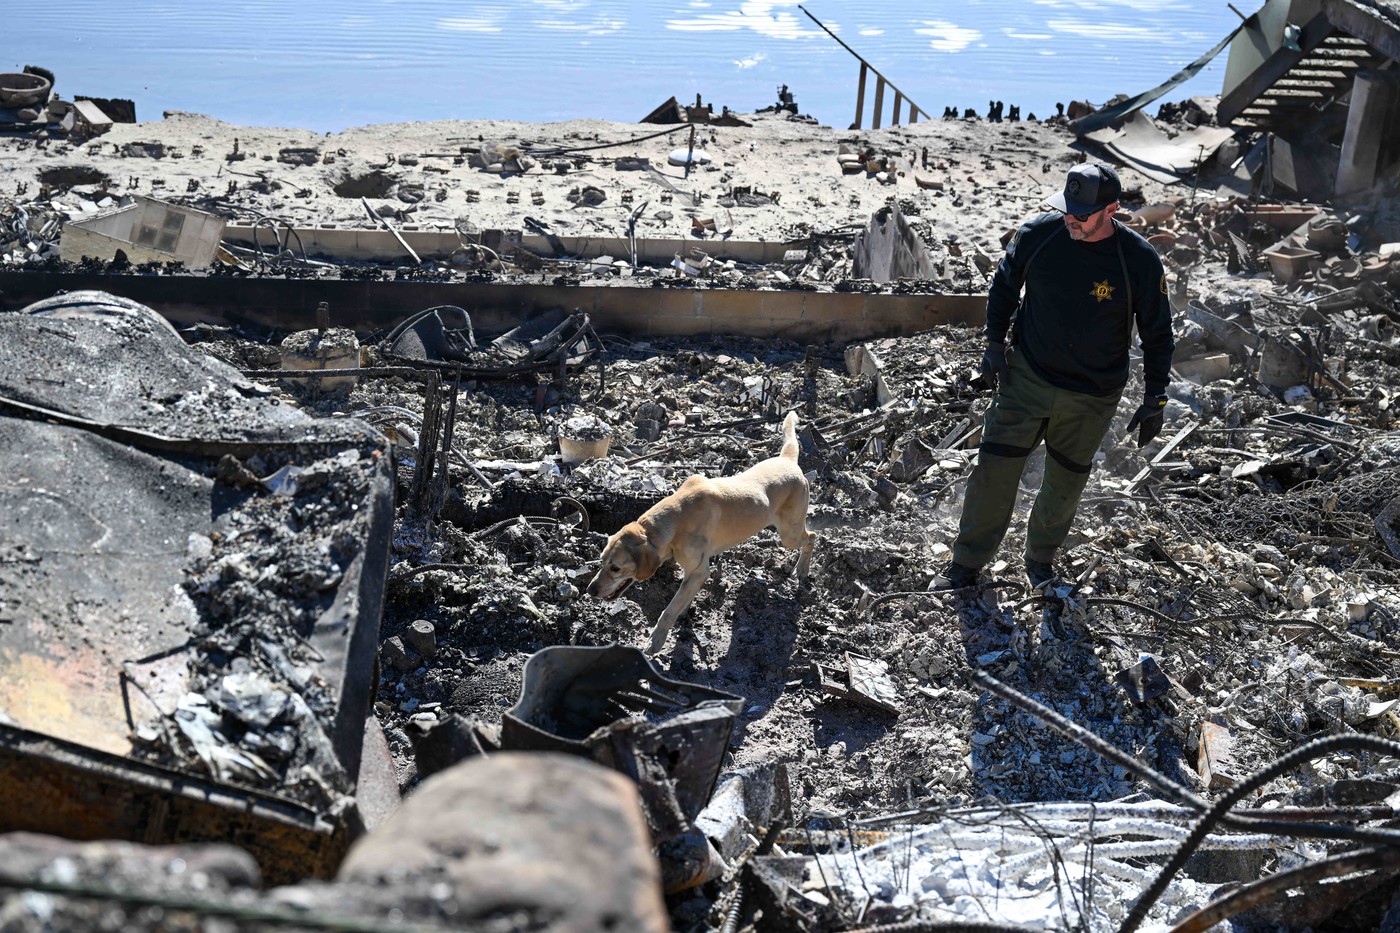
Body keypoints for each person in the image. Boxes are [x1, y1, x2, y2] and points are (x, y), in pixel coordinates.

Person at [936, 163, 1175, 590]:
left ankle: (1040, 559)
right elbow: (1004, 286)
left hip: (1093, 394)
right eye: (1067, 209)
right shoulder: (1039, 234)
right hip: (1027, 376)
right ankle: (966, 563)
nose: (1071, 219)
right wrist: (993, 344)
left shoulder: (1137, 260)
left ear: (1112, 210)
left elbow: (1158, 334)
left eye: (1082, 214)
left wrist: (1155, 397)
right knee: (994, 468)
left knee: (1064, 482)